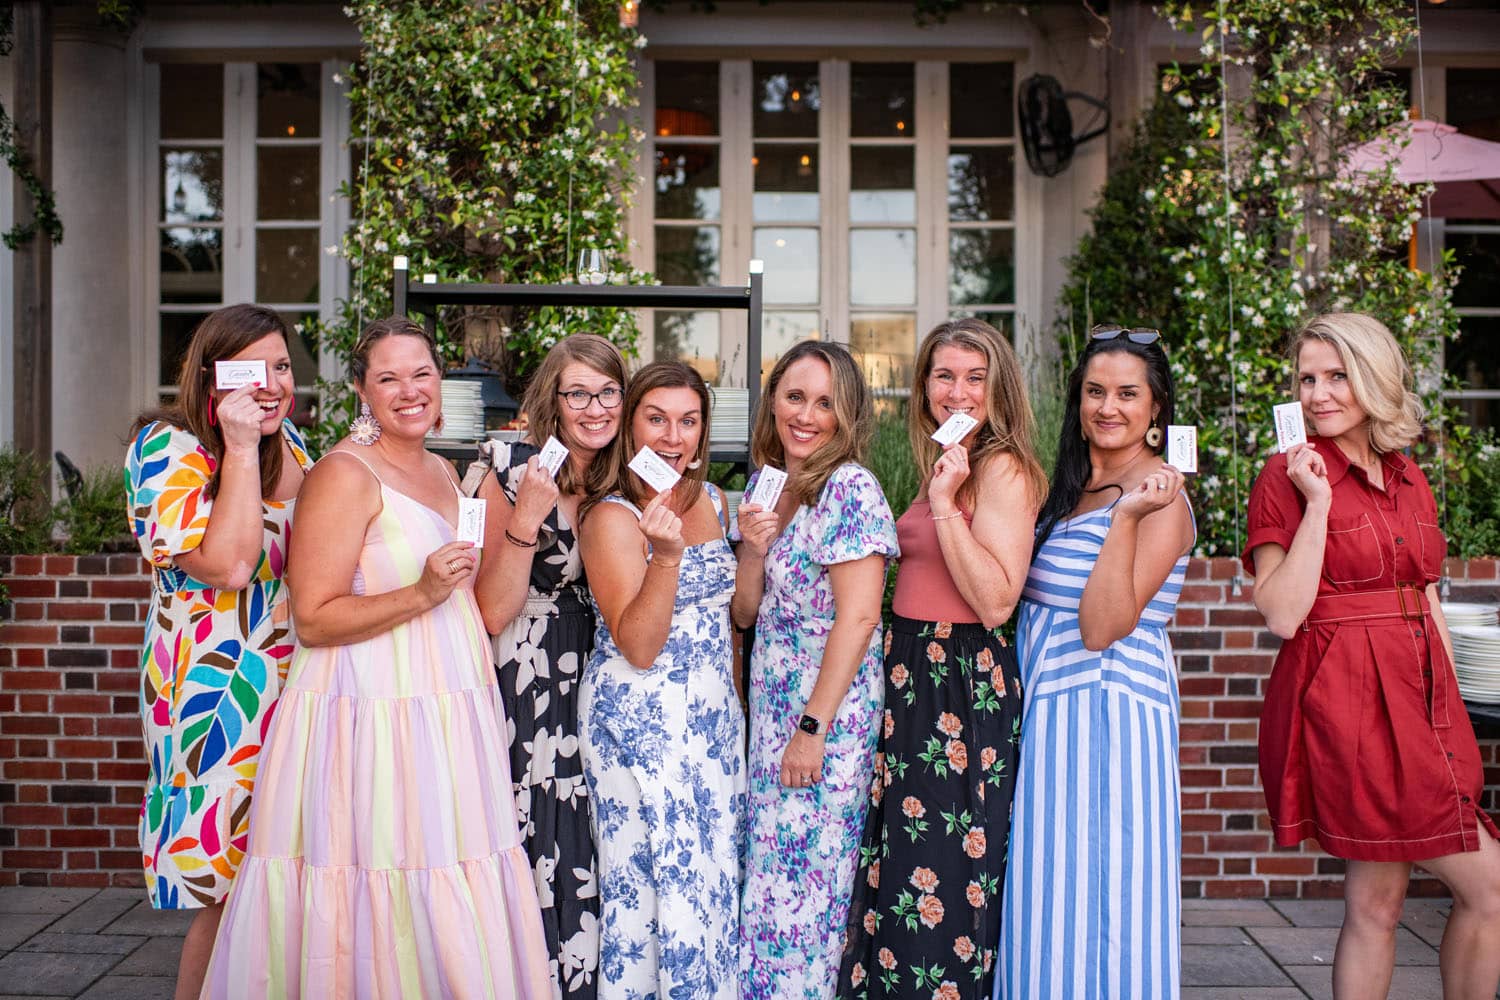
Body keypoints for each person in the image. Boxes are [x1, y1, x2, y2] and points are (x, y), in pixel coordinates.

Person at [200, 317, 549, 999]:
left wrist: (524, 521)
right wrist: (420, 591)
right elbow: (314, 618)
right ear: (363, 390)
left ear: (440, 384)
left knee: (446, 866)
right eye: (388, 378)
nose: (409, 390)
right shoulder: (342, 474)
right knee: (377, 871)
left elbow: (483, 610)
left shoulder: (448, 475)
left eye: (421, 374)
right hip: (371, 709)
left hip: (448, 708)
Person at [1245, 312, 1500, 999]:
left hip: (1423, 702)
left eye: (1337, 376)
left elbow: (1424, 594)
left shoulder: (1408, 474)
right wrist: (1319, 506)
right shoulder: (1287, 474)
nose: (1318, 394)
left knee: (1378, 905)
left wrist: (1452, 713)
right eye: (1307, 378)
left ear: (1374, 378)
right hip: (1351, 704)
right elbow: (1282, 613)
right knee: (1492, 887)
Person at [838, 319, 1046, 1000]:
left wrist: (943, 505)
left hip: (959, 684)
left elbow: (994, 602)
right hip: (908, 674)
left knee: (945, 875)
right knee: (899, 868)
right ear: (924, 384)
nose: (957, 392)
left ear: (998, 387)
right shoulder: (944, 459)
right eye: (943, 375)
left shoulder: (1002, 467)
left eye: (974, 378)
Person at [994, 324, 1194, 1000]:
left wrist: (1128, 520)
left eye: (1128, 394)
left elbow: (1106, 623)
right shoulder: (1069, 488)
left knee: (1104, 892)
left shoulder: (1160, 499)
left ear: (1156, 409)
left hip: (1107, 714)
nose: (1109, 407)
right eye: (1095, 391)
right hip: (1049, 713)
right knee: (1046, 885)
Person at [124, 304, 312, 1000]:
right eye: (251, 369)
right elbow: (231, 565)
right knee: (228, 888)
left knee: (284, 881)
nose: (272, 385)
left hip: (298, 682)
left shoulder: (291, 445)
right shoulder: (165, 448)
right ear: (211, 376)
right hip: (214, 694)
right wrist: (236, 449)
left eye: (283, 367)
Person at [576, 361, 745, 1000]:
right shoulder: (611, 518)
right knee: (651, 889)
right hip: (639, 722)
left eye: (688, 420)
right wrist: (667, 558)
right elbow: (641, 645)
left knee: (706, 885)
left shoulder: (715, 501)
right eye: (656, 418)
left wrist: (751, 551)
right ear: (629, 428)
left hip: (712, 723)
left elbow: (734, 619)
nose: (672, 437)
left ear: (703, 432)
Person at [735, 340, 899, 999]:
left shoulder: (850, 488)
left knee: (807, 889)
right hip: (774, 713)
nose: (806, 415)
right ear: (773, 401)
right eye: (795, 396)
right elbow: (747, 612)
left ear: (848, 414)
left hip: (822, 717)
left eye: (825, 402)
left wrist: (813, 727)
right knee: (769, 880)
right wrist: (751, 549)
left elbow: (858, 620)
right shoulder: (769, 483)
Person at [474, 334, 629, 999]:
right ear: (553, 400)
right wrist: (527, 519)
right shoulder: (512, 464)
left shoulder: (629, 473)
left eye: (607, 392)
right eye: (577, 394)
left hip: (605, 669)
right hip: (526, 669)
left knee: (591, 837)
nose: (594, 408)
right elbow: (486, 608)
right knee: (530, 824)